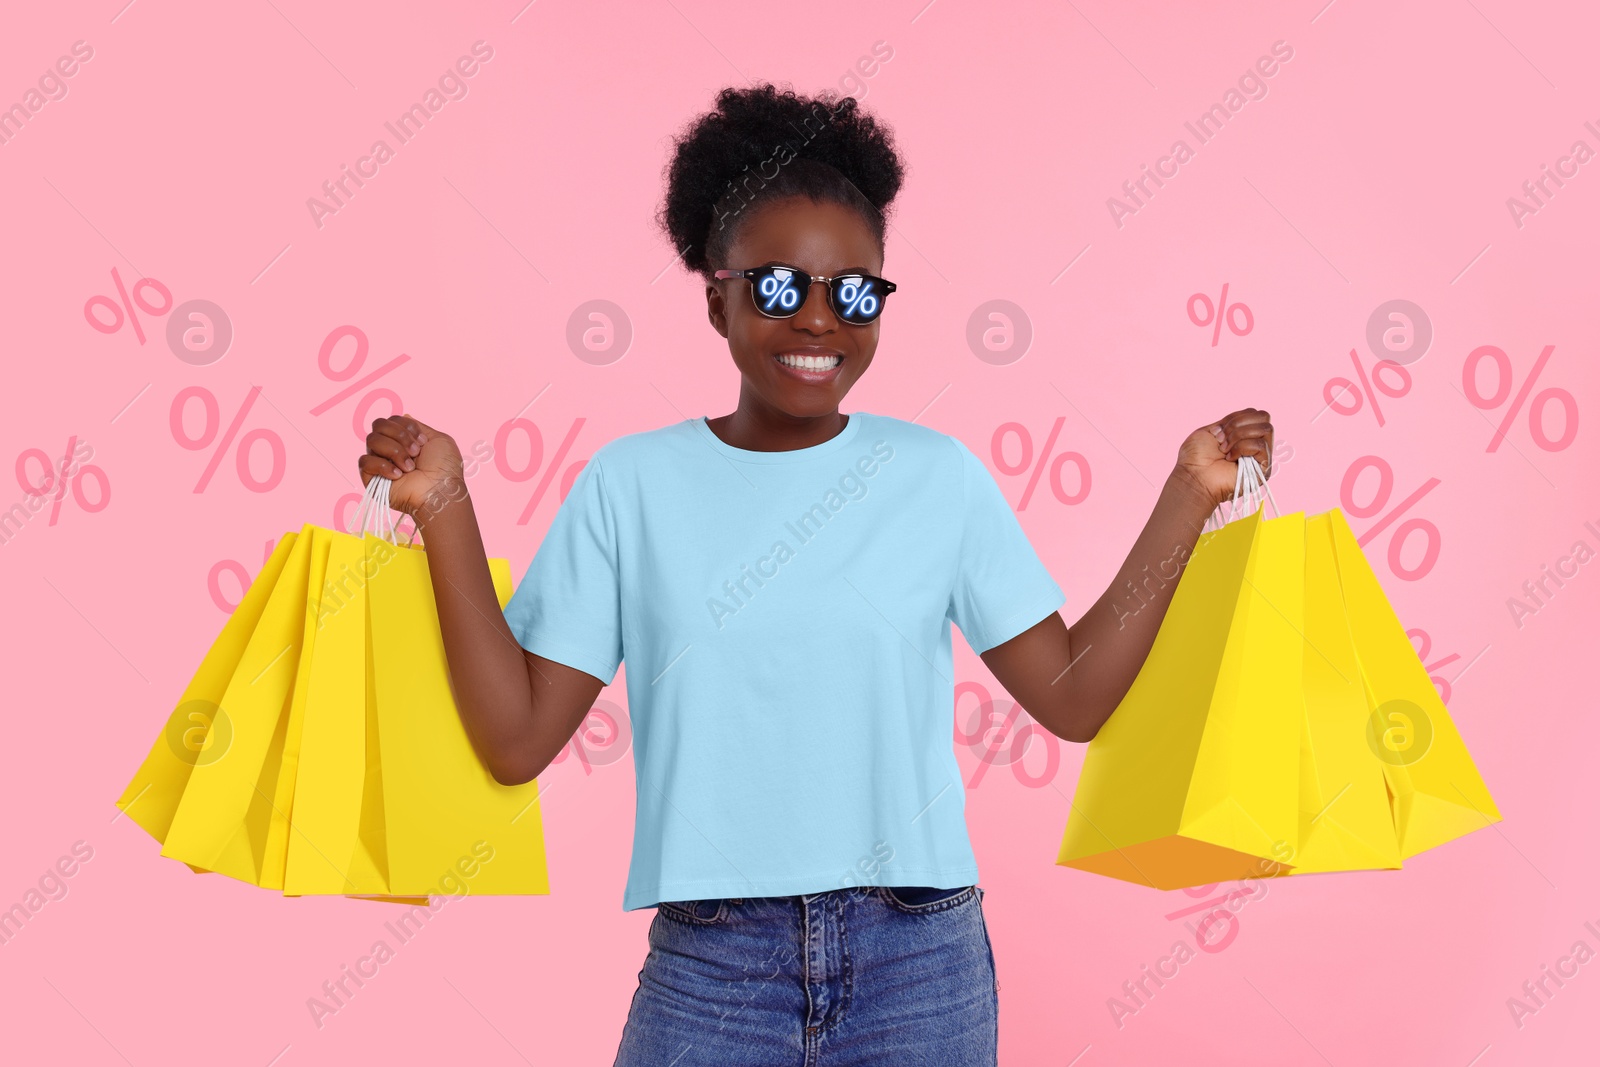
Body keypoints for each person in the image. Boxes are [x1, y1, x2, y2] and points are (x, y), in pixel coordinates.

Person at [357, 83, 1273, 1067]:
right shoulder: (632, 485)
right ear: (717, 296)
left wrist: (1189, 493)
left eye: (856, 291)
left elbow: (1074, 693)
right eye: (782, 287)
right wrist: (445, 509)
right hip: (713, 963)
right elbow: (513, 737)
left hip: (918, 962)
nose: (821, 322)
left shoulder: (935, 477)